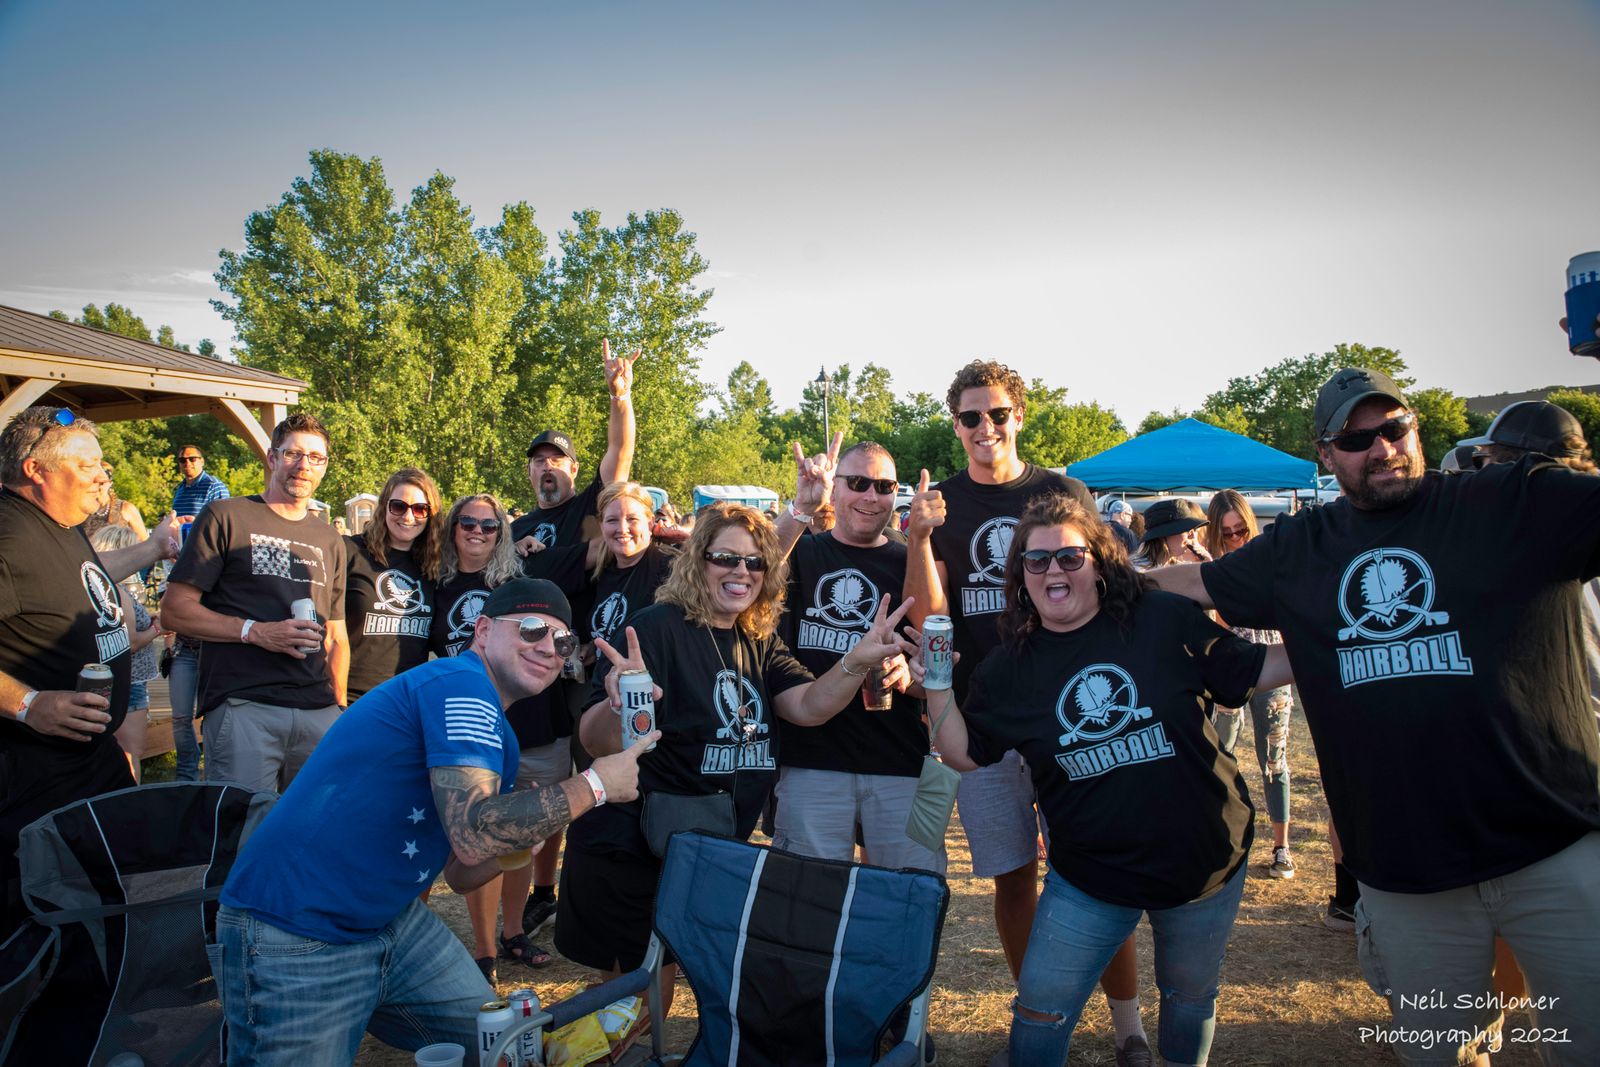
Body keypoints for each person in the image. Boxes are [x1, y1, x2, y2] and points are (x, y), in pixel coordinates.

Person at [1147, 367, 1600, 1065]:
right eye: (1358, 439)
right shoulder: (1303, 545)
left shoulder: (1510, 499)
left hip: (1554, 849)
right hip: (1407, 872)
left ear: (1415, 428)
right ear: (1326, 454)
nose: (1383, 448)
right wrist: (1088, 579)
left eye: (1395, 428)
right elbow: (1197, 582)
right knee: (1441, 1054)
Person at [209, 578, 657, 1063]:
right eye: (531, 629)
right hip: (297, 931)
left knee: (508, 1045)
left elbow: (462, 873)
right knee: (506, 1045)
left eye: (564, 641)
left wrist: (527, 827)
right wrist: (594, 786)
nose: (549, 648)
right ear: (482, 631)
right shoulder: (459, 684)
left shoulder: (499, 736)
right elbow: (475, 832)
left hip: (391, 921)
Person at [924, 493, 1289, 1067]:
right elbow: (963, 753)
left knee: (1189, 997)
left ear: (1099, 563)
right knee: (1039, 1011)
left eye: (1070, 556)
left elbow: (1258, 667)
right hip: (1090, 877)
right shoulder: (1009, 668)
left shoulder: (1161, 619)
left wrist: (1335, 634)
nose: (1054, 570)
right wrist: (936, 685)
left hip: (1203, 859)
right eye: (1037, 560)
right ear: (1020, 576)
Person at [560, 503, 913, 1012]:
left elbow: (809, 706)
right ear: (696, 561)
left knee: (667, 995)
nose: (741, 572)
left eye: (755, 562)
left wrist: (856, 661)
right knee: (639, 1002)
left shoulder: (757, 637)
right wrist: (624, 702)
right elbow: (595, 742)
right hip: (632, 846)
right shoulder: (655, 628)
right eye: (725, 558)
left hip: (704, 846)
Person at [903, 360, 1151, 1062]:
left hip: (1072, 711)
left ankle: (1129, 1027)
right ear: (955, 425)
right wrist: (917, 538)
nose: (985, 427)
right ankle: (1041, 1023)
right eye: (970, 417)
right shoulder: (941, 504)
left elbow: (1109, 582)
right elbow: (930, 618)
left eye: (997, 413)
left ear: (1019, 415)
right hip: (984, 716)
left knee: (1094, 870)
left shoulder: (1062, 493)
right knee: (1014, 876)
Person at [476, 482, 676, 978]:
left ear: (652, 523)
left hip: (649, 715)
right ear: (599, 526)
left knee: (641, 834)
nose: (622, 529)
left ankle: (652, 957)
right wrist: (585, 648)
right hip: (601, 710)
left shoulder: (668, 567)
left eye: (633, 519)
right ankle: (613, 956)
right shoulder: (604, 570)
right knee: (606, 827)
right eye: (612, 520)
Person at [0, 407, 177, 933]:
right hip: (31, 777)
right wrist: (28, 704)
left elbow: (88, 576)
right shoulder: (8, 534)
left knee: (108, 908)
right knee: (43, 927)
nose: (103, 477)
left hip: (88, 761)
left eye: (102, 465)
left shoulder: (61, 524)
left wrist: (151, 548)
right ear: (35, 470)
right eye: (87, 466)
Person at [772, 436, 944, 873]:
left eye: (884, 487)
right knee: (809, 897)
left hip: (901, 762)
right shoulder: (802, 552)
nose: (871, 496)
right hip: (810, 761)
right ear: (836, 488)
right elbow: (750, 564)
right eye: (858, 483)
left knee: (909, 895)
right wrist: (802, 506)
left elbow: (935, 652)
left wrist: (911, 674)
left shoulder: (910, 560)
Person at [161, 412, 349, 795]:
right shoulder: (226, 516)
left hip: (318, 711)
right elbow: (174, 610)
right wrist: (257, 632)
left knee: (314, 825)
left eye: (316, 457)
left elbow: (336, 636)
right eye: (294, 454)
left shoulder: (330, 539)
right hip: (245, 705)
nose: (304, 465)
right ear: (272, 457)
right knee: (245, 825)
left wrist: (339, 708)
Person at [1204, 490, 1295, 879]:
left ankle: (1282, 846)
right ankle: (1220, 841)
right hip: (1230, 670)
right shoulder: (1211, 568)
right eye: (1226, 533)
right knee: (1220, 757)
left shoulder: (1266, 559)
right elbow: (1214, 622)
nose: (1235, 538)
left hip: (1271, 667)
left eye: (1240, 530)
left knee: (1274, 759)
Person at [510, 339, 639, 554]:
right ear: (528, 470)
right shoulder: (514, 531)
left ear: (574, 469)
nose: (548, 466)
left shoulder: (592, 507)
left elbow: (620, 450)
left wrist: (620, 396)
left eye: (557, 459)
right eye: (539, 460)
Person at [329, 468, 442, 706]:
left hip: (406, 702)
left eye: (420, 509)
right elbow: (329, 631)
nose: (408, 517)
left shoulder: (434, 565)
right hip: (352, 699)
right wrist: (338, 702)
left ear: (431, 515)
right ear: (384, 507)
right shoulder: (350, 550)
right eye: (398, 506)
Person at [167, 446, 231, 782]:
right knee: (180, 716)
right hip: (184, 647)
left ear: (202, 462)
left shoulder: (214, 487)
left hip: (211, 649)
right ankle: (186, 777)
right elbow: (170, 608)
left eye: (193, 459)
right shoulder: (180, 491)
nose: (187, 464)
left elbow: (220, 522)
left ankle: (212, 777)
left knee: (213, 715)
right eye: (183, 459)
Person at [89, 524, 165, 783]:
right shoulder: (119, 592)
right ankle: (129, 802)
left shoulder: (98, 592)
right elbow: (130, 642)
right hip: (129, 683)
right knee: (130, 755)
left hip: (105, 679)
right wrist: (157, 628)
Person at [80, 461, 148, 540]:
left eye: (102, 482)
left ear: (110, 483)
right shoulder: (83, 509)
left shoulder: (125, 508)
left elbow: (145, 541)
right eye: (94, 482)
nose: (98, 486)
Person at [1135, 499, 1210, 570]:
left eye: (1193, 531)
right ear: (1165, 534)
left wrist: (1207, 564)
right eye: (1187, 531)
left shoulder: (1181, 568)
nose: (1192, 537)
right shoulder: (1137, 571)